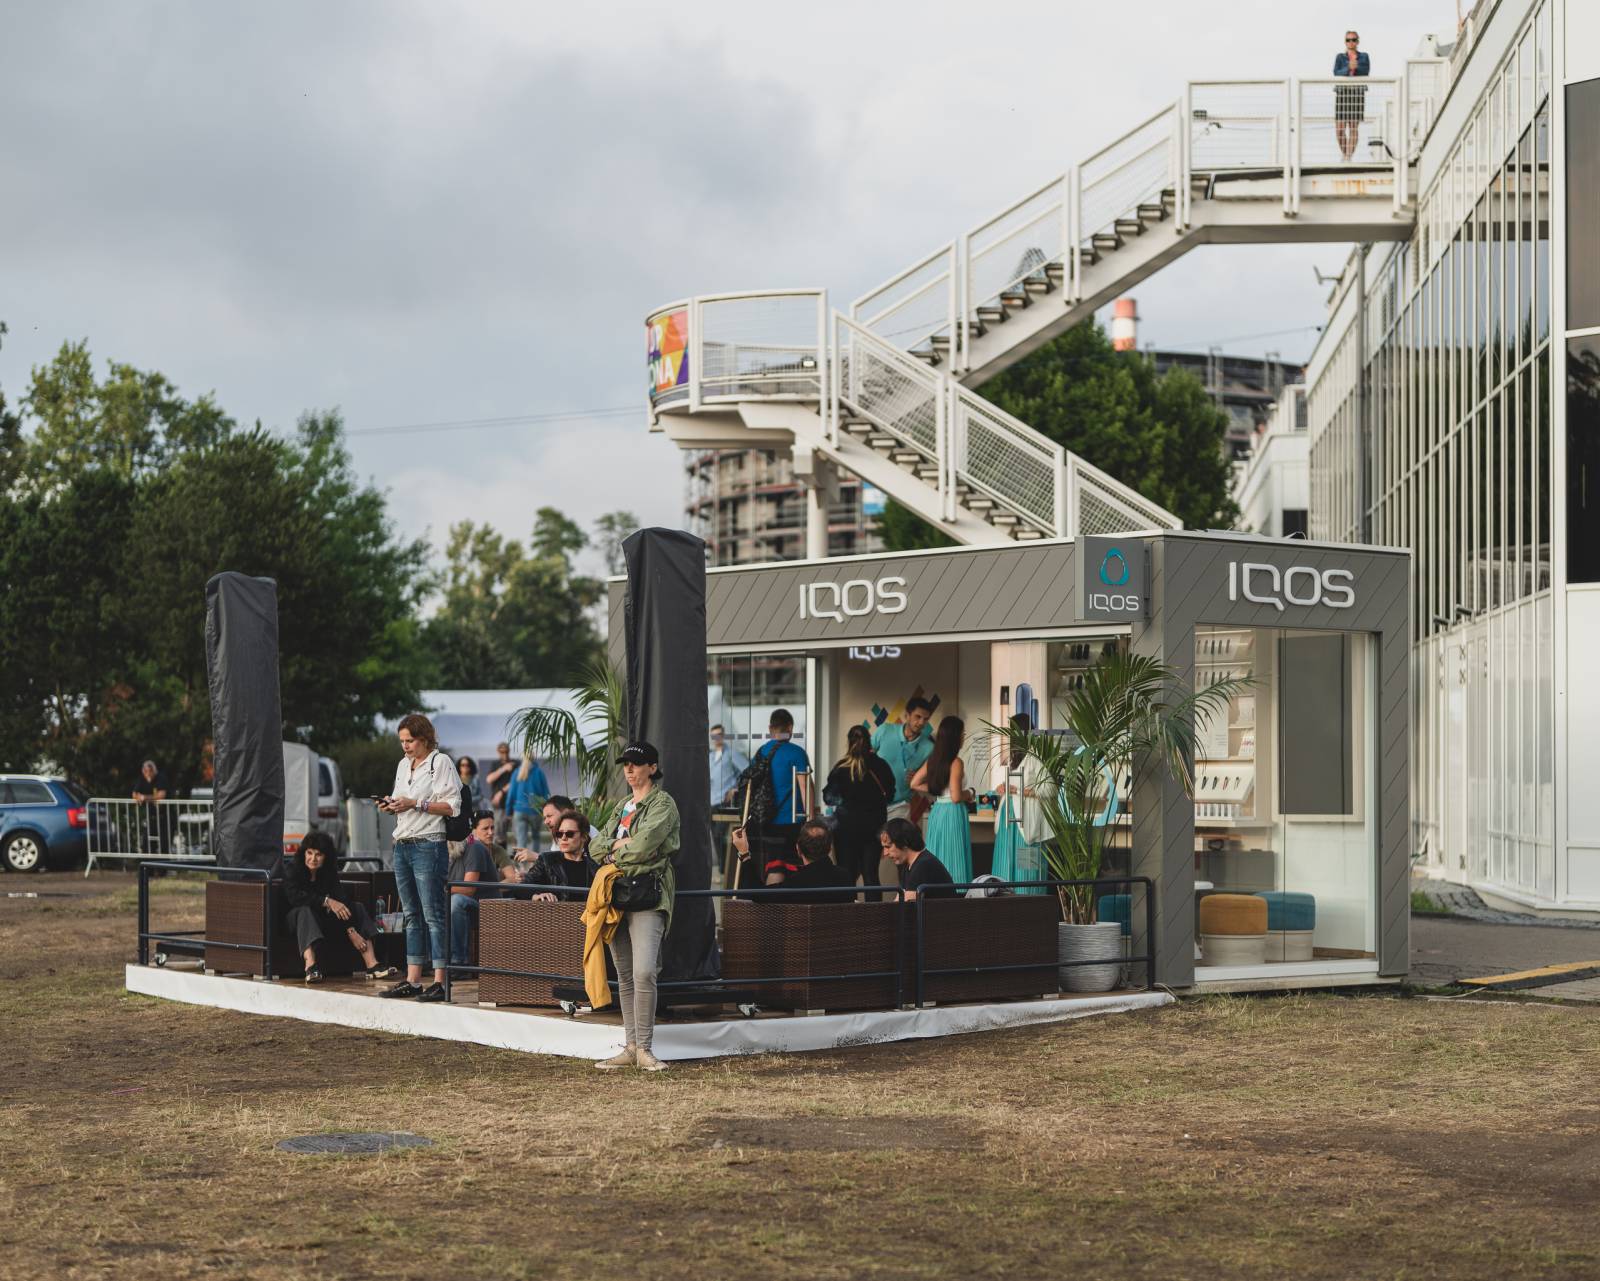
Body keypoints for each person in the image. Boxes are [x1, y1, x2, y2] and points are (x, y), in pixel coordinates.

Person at [590, 741, 679, 1072]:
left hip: (648, 895)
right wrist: (618, 846)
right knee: (625, 974)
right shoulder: (622, 805)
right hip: (616, 895)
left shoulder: (663, 804)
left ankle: (644, 1048)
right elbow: (595, 847)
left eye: (636, 764)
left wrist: (617, 852)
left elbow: (645, 847)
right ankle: (631, 1047)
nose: (628, 769)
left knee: (644, 972)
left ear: (652, 768)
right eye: (625, 764)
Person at [376, 713, 462, 1002]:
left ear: (424, 738)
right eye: (402, 741)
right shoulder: (403, 765)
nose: (405, 746)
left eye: (410, 741)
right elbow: (401, 799)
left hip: (429, 844)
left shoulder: (442, 762)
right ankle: (413, 979)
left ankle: (439, 979)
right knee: (411, 914)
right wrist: (391, 805)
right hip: (403, 843)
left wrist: (415, 803)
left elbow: (452, 806)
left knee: (433, 914)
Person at [276, 831, 395, 982]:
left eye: (318, 855)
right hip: (295, 921)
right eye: (309, 853)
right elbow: (295, 898)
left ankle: (372, 965)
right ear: (304, 852)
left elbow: (341, 899)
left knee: (356, 907)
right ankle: (310, 966)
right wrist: (327, 901)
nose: (313, 859)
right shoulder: (292, 869)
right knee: (305, 911)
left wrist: (351, 930)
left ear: (326, 857)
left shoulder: (329, 872)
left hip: (321, 920)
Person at [739, 709, 810, 891]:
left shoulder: (763, 751)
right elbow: (804, 787)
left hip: (766, 821)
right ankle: (784, 907)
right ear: (790, 728)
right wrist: (810, 818)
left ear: (771, 728)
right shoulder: (797, 753)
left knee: (774, 864)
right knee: (791, 866)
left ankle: (773, 910)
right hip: (791, 820)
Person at [823, 724, 896, 901]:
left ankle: (849, 919)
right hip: (873, 829)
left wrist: (847, 802)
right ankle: (876, 919)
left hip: (845, 829)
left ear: (849, 743)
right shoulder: (881, 765)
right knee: (871, 875)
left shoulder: (841, 767)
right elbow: (891, 794)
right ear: (869, 741)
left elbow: (829, 798)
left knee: (847, 876)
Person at [910, 715, 974, 885]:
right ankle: (955, 891)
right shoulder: (956, 762)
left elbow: (914, 783)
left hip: (937, 810)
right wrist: (970, 793)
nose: (963, 737)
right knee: (954, 853)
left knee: (938, 852)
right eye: (962, 733)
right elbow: (956, 797)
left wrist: (935, 790)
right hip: (953, 812)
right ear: (955, 737)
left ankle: (935, 889)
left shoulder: (934, 760)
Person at [991, 714, 1049, 895]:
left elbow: (1049, 789)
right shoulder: (1014, 759)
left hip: (1025, 825)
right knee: (1005, 868)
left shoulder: (1035, 757)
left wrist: (1018, 790)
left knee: (1027, 870)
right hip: (1009, 824)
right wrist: (1003, 788)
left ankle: (1028, 910)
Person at [734, 818, 852, 905]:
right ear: (829, 848)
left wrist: (745, 854)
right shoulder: (845, 878)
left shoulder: (795, 884)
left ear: (798, 849)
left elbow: (755, 894)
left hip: (800, 939)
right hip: (837, 938)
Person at [447, 811, 502, 967]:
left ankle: (459, 961)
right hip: (465, 906)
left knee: (456, 901)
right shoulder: (448, 849)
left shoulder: (473, 846)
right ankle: (431, 960)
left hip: (487, 907)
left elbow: (468, 890)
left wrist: (441, 889)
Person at [871, 698, 934, 821]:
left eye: (926, 719)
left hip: (900, 806)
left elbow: (930, 779)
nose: (921, 722)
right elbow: (862, 757)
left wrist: (917, 777)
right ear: (907, 715)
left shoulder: (929, 748)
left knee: (899, 841)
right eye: (918, 716)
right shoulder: (884, 730)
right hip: (872, 803)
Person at [522, 808, 598, 901]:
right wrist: (536, 896)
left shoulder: (594, 867)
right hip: (554, 914)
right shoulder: (547, 860)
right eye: (559, 834)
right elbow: (521, 888)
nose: (563, 838)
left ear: (583, 837)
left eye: (570, 834)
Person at [880, 817, 955, 901]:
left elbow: (904, 907)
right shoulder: (908, 864)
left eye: (888, 847)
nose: (885, 853)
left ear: (903, 842)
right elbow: (898, 902)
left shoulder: (923, 865)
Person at [1333, 30, 1370, 163]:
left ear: (1358, 41)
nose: (1351, 42)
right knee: (1340, 128)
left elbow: (1365, 71)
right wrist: (1348, 67)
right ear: (1345, 42)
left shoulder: (1364, 56)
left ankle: (1348, 157)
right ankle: (1345, 154)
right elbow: (1336, 73)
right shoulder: (1340, 57)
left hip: (1357, 92)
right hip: (1342, 92)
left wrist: (1356, 66)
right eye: (1348, 40)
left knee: (1353, 126)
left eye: (1353, 39)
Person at [505, 750, 550, 850]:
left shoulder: (517, 772)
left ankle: (522, 865)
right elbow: (546, 793)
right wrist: (547, 811)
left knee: (521, 840)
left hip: (519, 810)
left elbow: (511, 794)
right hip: (535, 810)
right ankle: (536, 862)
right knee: (536, 837)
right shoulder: (539, 772)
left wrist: (508, 812)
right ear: (533, 758)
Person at [707, 724, 747, 808]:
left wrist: (737, 788)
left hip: (725, 802)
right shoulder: (710, 756)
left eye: (719, 735)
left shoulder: (732, 754)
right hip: (711, 802)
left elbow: (748, 771)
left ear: (723, 736)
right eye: (714, 735)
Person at [486, 741, 516, 843]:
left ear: (509, 751)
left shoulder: (515, 764)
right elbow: (489, 779)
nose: (504, 754)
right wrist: (503, 769)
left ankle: (517, 856)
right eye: (502, 752)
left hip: (513, 803)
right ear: (498, 752)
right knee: (498, 833)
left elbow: (516, 781)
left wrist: (501, 792)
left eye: (506, 751)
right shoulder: (495, 764)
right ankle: (501, 856)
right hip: (499, 804)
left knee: (516, 833)